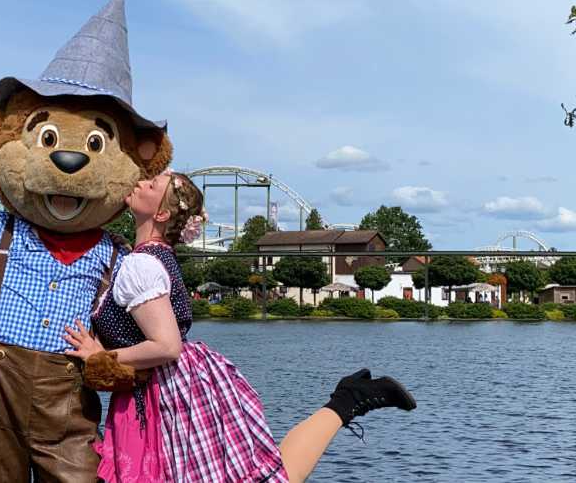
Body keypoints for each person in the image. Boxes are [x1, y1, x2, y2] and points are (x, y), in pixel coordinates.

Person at [64, 171, 417, 482]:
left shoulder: (141, 266)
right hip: (174, 387)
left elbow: (166, 345)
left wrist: (102, 356)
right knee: (270, 474)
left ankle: (350, 398)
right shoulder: (147, 258)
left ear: (161, 213)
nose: (140, 181)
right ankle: (348, 399)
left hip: (165, 397)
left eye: (151, 183)